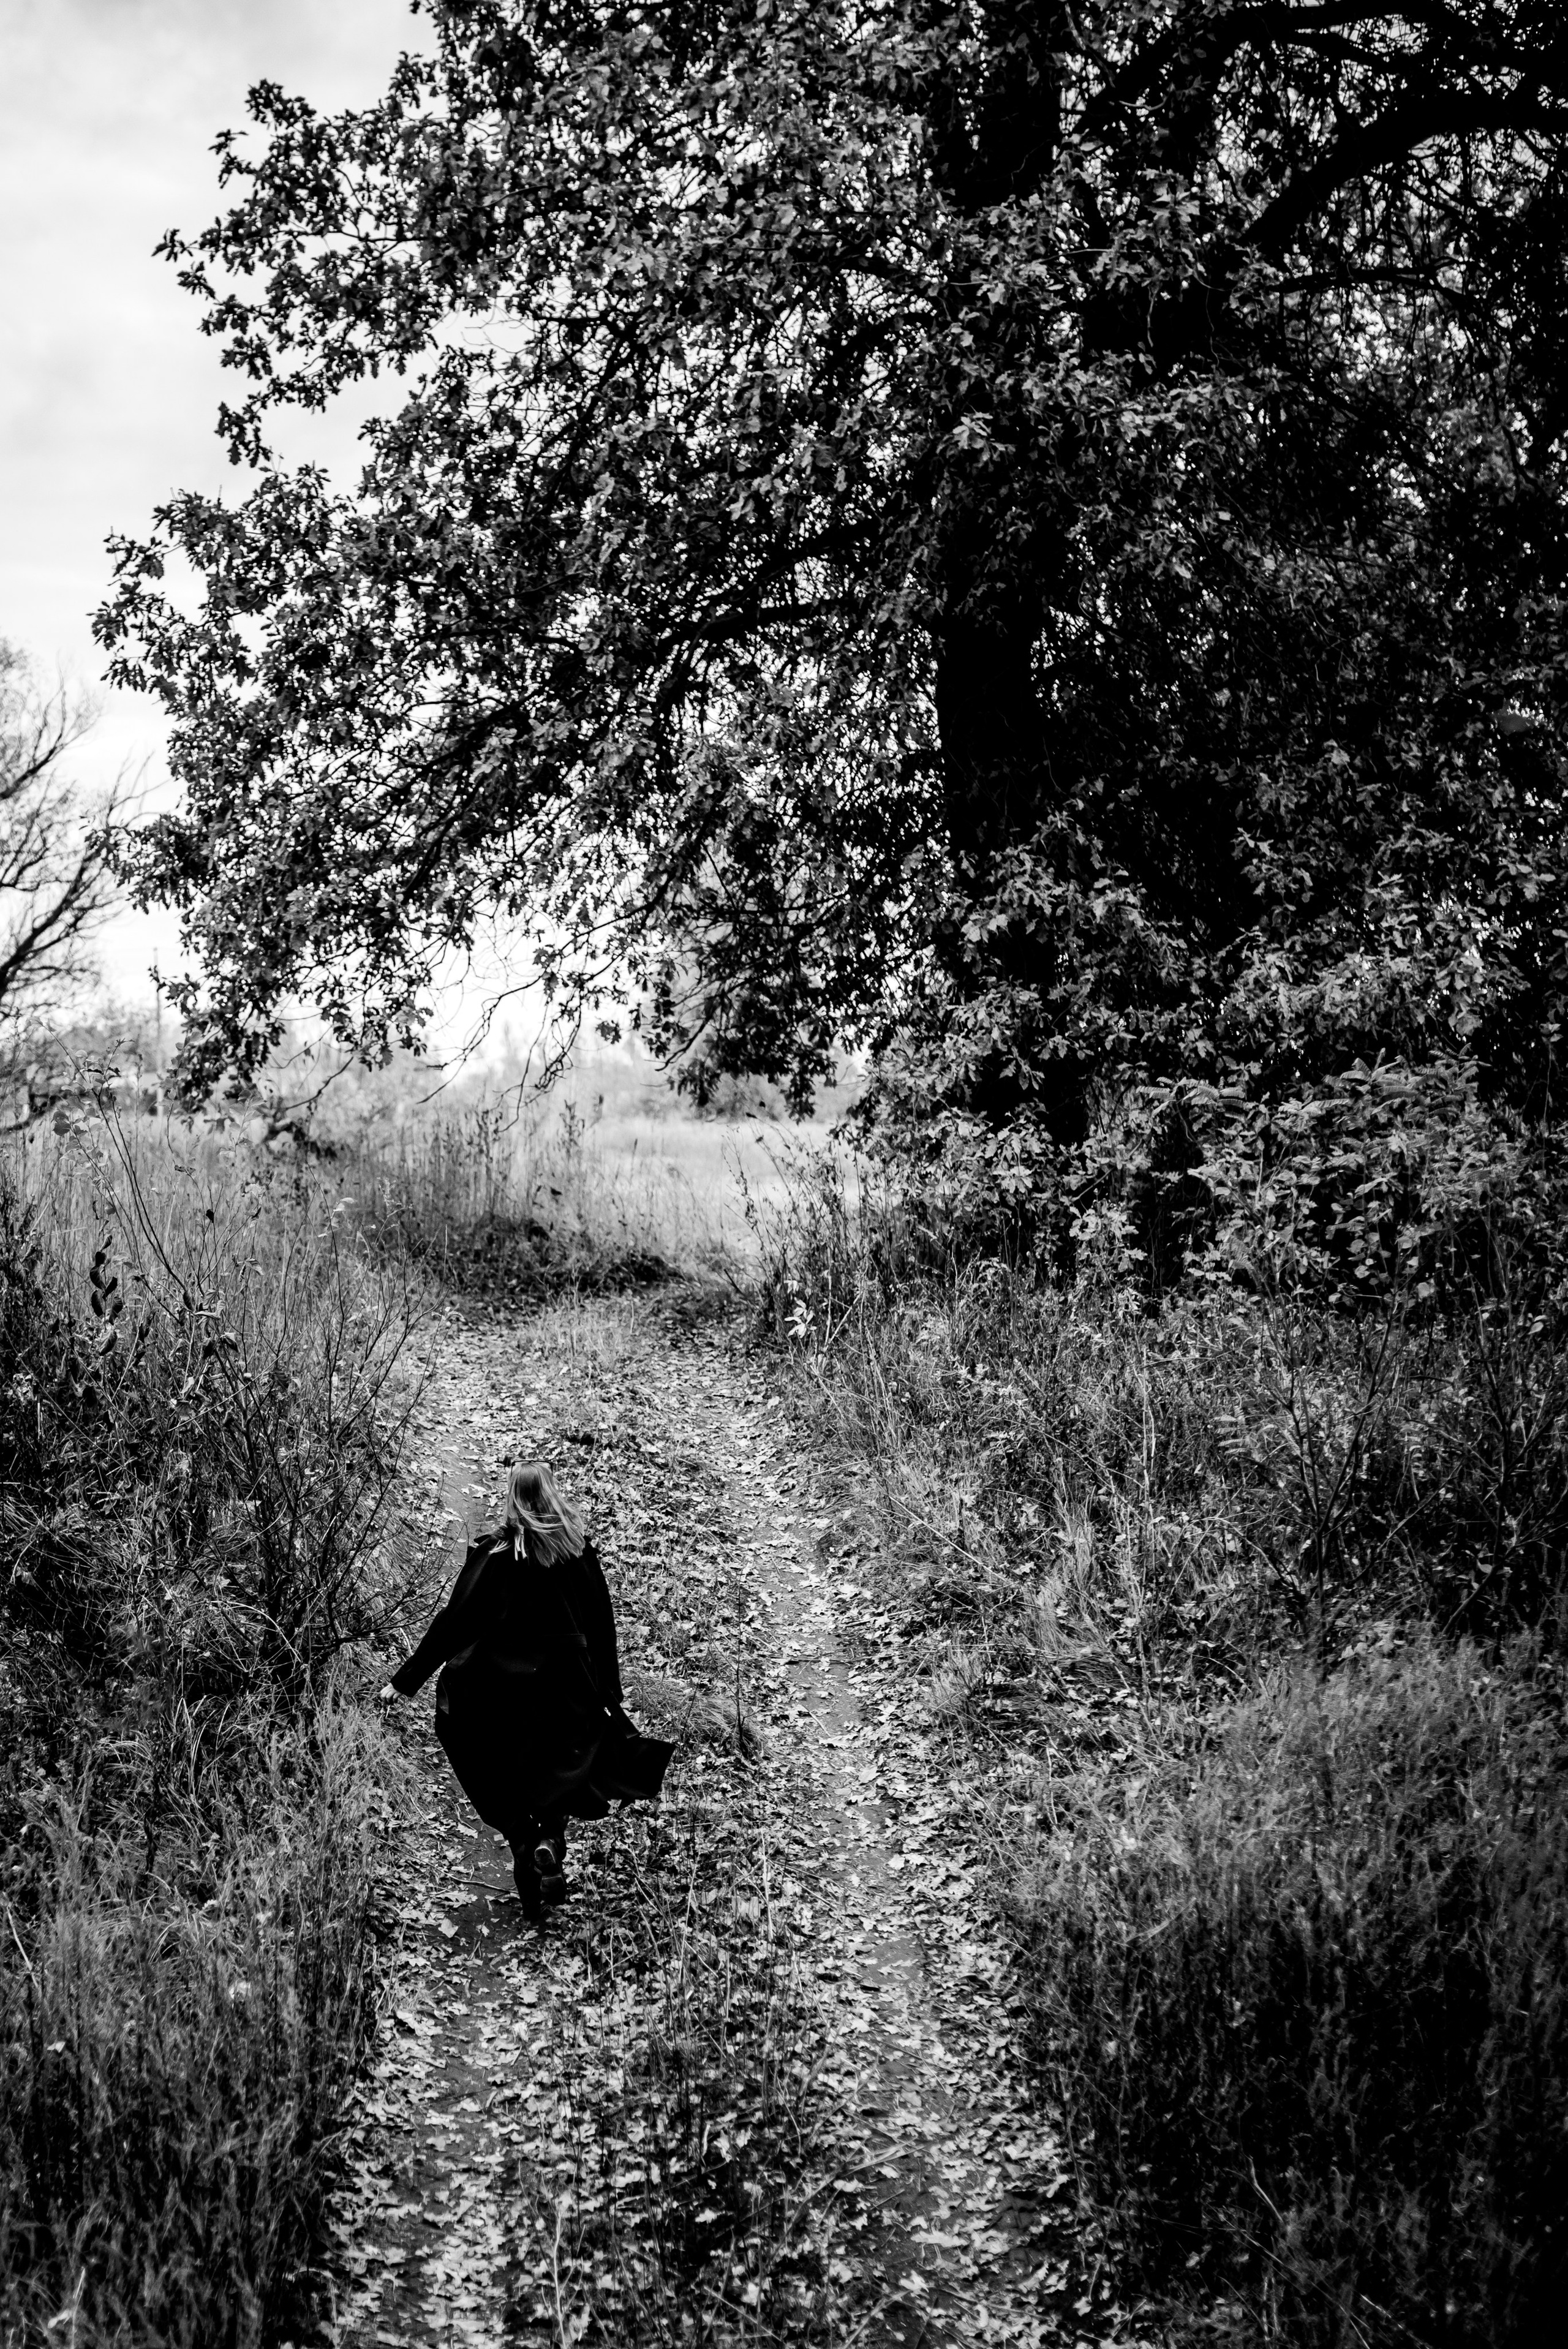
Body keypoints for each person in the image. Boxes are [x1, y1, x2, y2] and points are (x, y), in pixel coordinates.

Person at [388, 1458, 673, 1919]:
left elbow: (454, 1621)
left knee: (483, 1751)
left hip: (504, 1690)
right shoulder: (578, 1553)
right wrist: (609, 1690)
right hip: (570, 1688)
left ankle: (524, 1837)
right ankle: (550, 1840)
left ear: (513, 1498)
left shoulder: (497, 1555)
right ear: (551, 1494)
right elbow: (603, 1625)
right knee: (560, 1770)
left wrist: (407, 1680)